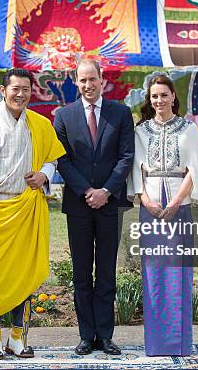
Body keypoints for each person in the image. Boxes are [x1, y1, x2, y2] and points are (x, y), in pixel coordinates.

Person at [0, 68, 66, 360]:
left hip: (27, 209)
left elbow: (52, 159)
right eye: (15, 89)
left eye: (26, 89)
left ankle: (18, 338)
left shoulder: (41, 125)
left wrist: (44, 175)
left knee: (25, 276)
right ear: (3, 91)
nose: (21, 94)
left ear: (32, 92)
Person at [53, 59, 134, 356]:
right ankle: (87, 335)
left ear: (102, 79)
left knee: (107, 273)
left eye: (92, 79)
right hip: (79, 205)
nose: (88, 85)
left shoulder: (121, 113)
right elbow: (62, 160)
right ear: (76, 82)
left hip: (110, 205)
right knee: (82, 273)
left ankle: (106, 335)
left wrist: (106, 191)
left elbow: (126, 157)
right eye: (82, 80)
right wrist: (87, 191)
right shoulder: (63, 115)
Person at [128, 75, 198, 356]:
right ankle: (156, 343)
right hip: (150, 206)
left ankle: (178, 342)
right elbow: (136, 172)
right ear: (149, 100)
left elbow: (194, 170)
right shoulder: (141, 132)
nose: (159, 101)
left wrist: (177, 201)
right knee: (153, 272)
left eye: (164, 95)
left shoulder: (189, 130)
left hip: (179, 205)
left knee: (178, 271)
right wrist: (146, 201)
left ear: (174, 96)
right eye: (154, 96)